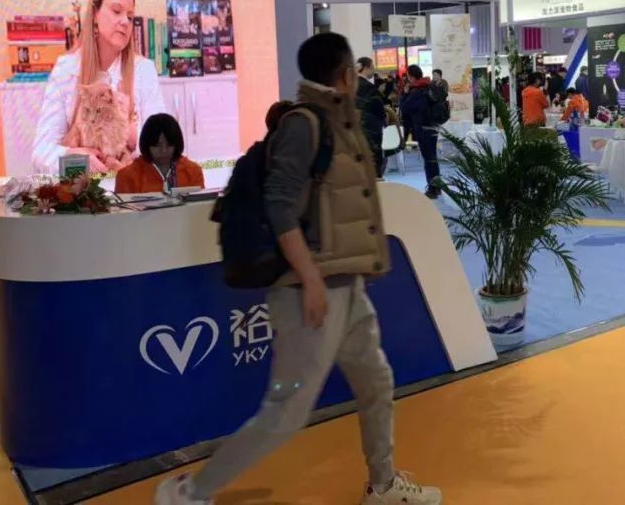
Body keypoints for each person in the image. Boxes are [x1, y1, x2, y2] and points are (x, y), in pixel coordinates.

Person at [155, 33, 441, 505]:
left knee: (376, 382)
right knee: (286, 410)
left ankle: (384, 485)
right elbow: (280, 205)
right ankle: (190, 492)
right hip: (312, 291)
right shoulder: (305, 124)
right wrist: (309, 279)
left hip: (345, 285)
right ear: (346, 74)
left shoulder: (337, 120)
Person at [33, 0, 165, 174]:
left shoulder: (144, 70)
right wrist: (74, 159)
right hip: (84, 187)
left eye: (130, 17)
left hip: (130, 186)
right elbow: (41, 153)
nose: (125, 22)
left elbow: (164, 146)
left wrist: (129, 133)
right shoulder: (66, 70)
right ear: (95, 14)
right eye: (116, 11)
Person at [114, 114, 203, 194]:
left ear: (177, 144)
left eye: (169, 145)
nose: (163, 150)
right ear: (146, 144)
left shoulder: (193, 171)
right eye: (157, 145)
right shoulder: (127, 176)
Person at [400, 65, 443, 199]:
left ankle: (433, 189)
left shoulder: (417, 91)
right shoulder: (428, 86)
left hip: (423, 128)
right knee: (432, 157)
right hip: (433, 126)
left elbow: (405, 109)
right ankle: (437, 187)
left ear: (411, 76)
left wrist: (405, 94)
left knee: (428, 158)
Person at [356, 57, 387, 178]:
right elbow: (379, 109)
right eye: (372, 68)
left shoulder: (350, 86)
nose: (373, 71)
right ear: (366, 68)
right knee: (374, 161)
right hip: (371, 129)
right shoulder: (369, 88)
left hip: (354, 130)